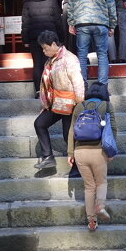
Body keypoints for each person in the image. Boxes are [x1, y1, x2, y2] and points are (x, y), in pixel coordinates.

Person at [33, 30, 84, 172]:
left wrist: (80, 103)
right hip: (56, 103)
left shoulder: (69, 58)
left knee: (68, 136)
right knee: (39, 123)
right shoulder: (51, 60)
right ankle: (48, 157)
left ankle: (77, 167)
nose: (44, 51)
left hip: (70, 103)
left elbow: (77, 81)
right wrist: (46, 104)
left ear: (54, 44)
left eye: (45, 48)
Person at [68, 82, 115, 232]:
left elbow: (71, 131)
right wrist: (111, 151)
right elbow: (113, 129)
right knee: (101, 182)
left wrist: (70, 153)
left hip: (80, 151)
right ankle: (100, 205)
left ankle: (91, 221)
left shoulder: (79, 106)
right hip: (99, 151)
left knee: (89, 186)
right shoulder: (107, 106)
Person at [66, 0, 117, 86]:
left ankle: (82, 85)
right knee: (102, 55)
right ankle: (102, 85)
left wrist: (71, 22)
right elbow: (111, 3)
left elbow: (70, 2)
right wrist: (112, 24)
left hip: (82, 22)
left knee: (82, 55)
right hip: (101, 23)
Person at [21, 0, 64, 95]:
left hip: (34, 38)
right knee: (50, 63)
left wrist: (25, 40)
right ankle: (50, 89)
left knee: (37, 64)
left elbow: (25, 23)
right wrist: (61, 37)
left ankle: (38, 90)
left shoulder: (27, 3)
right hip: (50, 38)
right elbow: (57, 21)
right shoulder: (52, 1)